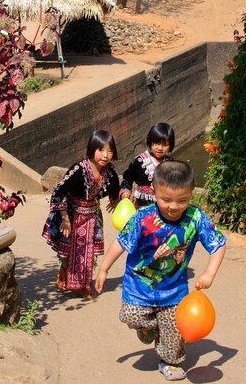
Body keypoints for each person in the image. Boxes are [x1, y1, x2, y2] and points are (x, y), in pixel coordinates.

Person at [95, 160, 226, 382]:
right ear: (154, 192)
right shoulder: (142, 218)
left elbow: (218, 243)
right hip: (139, 285)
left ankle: (169, 361)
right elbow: (121, 242)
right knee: (130, 316)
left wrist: (209, 273)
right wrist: (104, 269)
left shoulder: (195, 217)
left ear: (191, 193)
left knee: (174, 330)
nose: (173, 206)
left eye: (182, 200)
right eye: (166, 200)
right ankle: (150, 329)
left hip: (174, 289)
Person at [43, 130, 122, 299]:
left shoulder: (111, 174)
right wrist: (64, 219)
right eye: (101, 150)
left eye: (109, 151)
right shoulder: (79, 169)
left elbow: (116, 193)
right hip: (71, 214)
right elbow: (59, 191)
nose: (105, 155)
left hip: (92, 215)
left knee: (89, 252)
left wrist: (117, 203)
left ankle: (83, 286)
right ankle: (64, 270)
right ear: (92, 149)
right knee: (68, 250)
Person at [120, 123, 175, 208]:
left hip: (163, 205)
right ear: (150, 142)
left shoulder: (171, 163)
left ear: (170, 146)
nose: (160, 148)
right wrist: (125, 192)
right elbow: (128, 177)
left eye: (165, 145)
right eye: (156, 143)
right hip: (142, 205)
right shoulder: (140, 161)